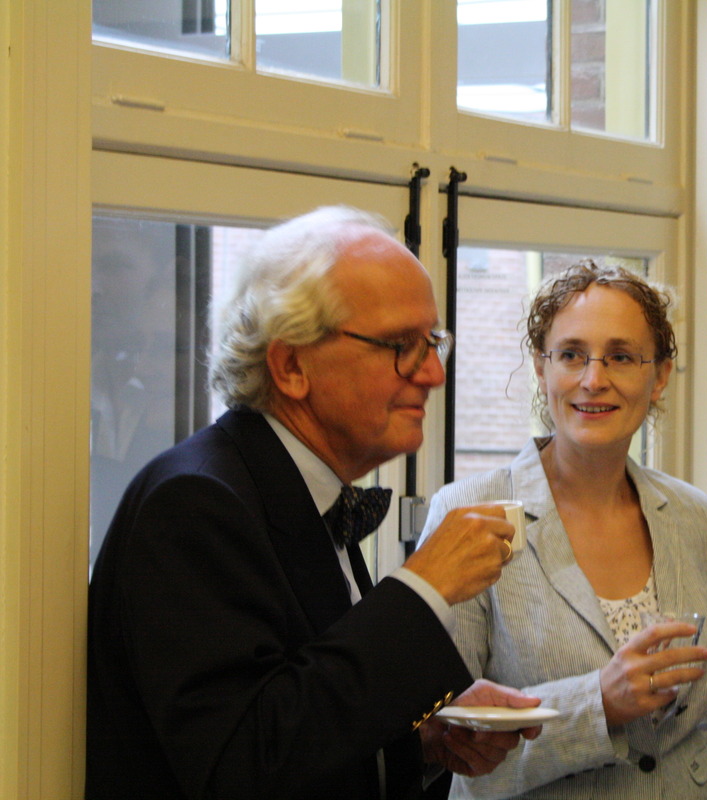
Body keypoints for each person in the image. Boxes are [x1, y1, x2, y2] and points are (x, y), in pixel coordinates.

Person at [87, 206, 542, 800]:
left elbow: (304, 715)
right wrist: (423, 588)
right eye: (401, 345)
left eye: (433, 342)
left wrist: (422, 740)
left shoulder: (296, 486)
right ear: (292, 365)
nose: (432, 373)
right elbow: (241, 766)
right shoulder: (195, 504)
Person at [418, 260, 707, 798]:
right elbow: (442, 740)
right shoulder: (469, 512)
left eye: (621, 356)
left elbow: (702, 726)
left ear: (659, 375)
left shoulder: (697, 519)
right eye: (571, 355)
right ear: (542, 370)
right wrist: (597, 705)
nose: (594, 379)